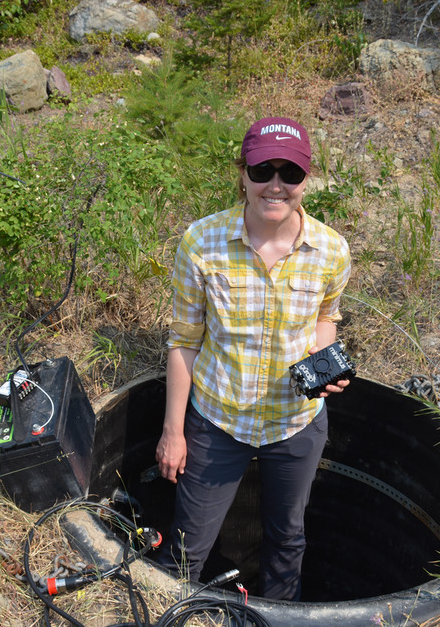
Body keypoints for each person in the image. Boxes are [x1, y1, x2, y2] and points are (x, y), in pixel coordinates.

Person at [155, 116, 352, 601]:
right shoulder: (202, 243)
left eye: (290, 173)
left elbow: (327, 316)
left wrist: (323, 353)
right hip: (218, 421)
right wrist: (173, 432)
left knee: (288, 538)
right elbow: (184, 341)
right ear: (242, 173)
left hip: (296, 423)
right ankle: (166, 609)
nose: (276, 185)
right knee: (188, 543)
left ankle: (277, 616)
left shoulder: (332, 250)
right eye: (263, 170)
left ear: (308, 178)